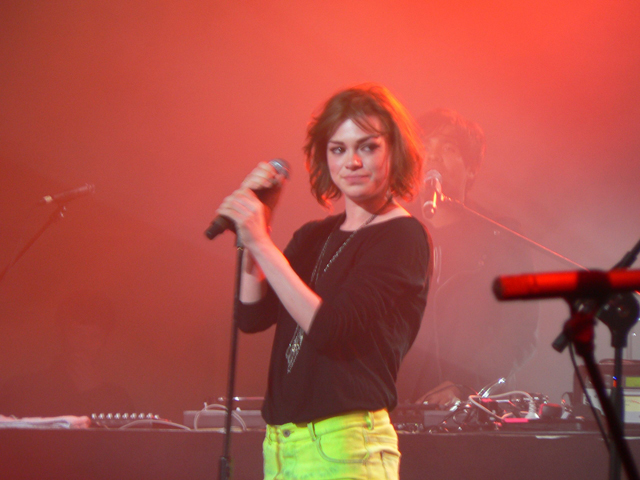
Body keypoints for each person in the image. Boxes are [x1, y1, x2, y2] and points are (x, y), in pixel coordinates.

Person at [217, 83, 432, 480]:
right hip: (282, 445)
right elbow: (251, 316)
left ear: (394, 151)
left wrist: (262, 243)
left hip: (344, 444)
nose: (352, 161)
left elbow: (332, 327)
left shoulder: (402, 236)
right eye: (338, 149)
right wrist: (255, 235)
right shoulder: (314, 236)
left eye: (367, 147)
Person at [396, 109, 538, 407]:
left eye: (447, 148)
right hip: (394, 409)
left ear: (471, 169)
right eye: (425, 148)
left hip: (473, 408)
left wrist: (466, 385)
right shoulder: (389, 235)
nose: (433, 157)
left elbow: (519, 331)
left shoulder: (502, 236)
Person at [0, 290, 134, 418]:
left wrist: (95, 393)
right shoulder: (21, 389)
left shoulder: (118, 399)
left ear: (104, 341)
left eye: (95, 336)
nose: (84, 343)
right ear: (61, 333)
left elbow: (118, 432)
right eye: (77, 333)